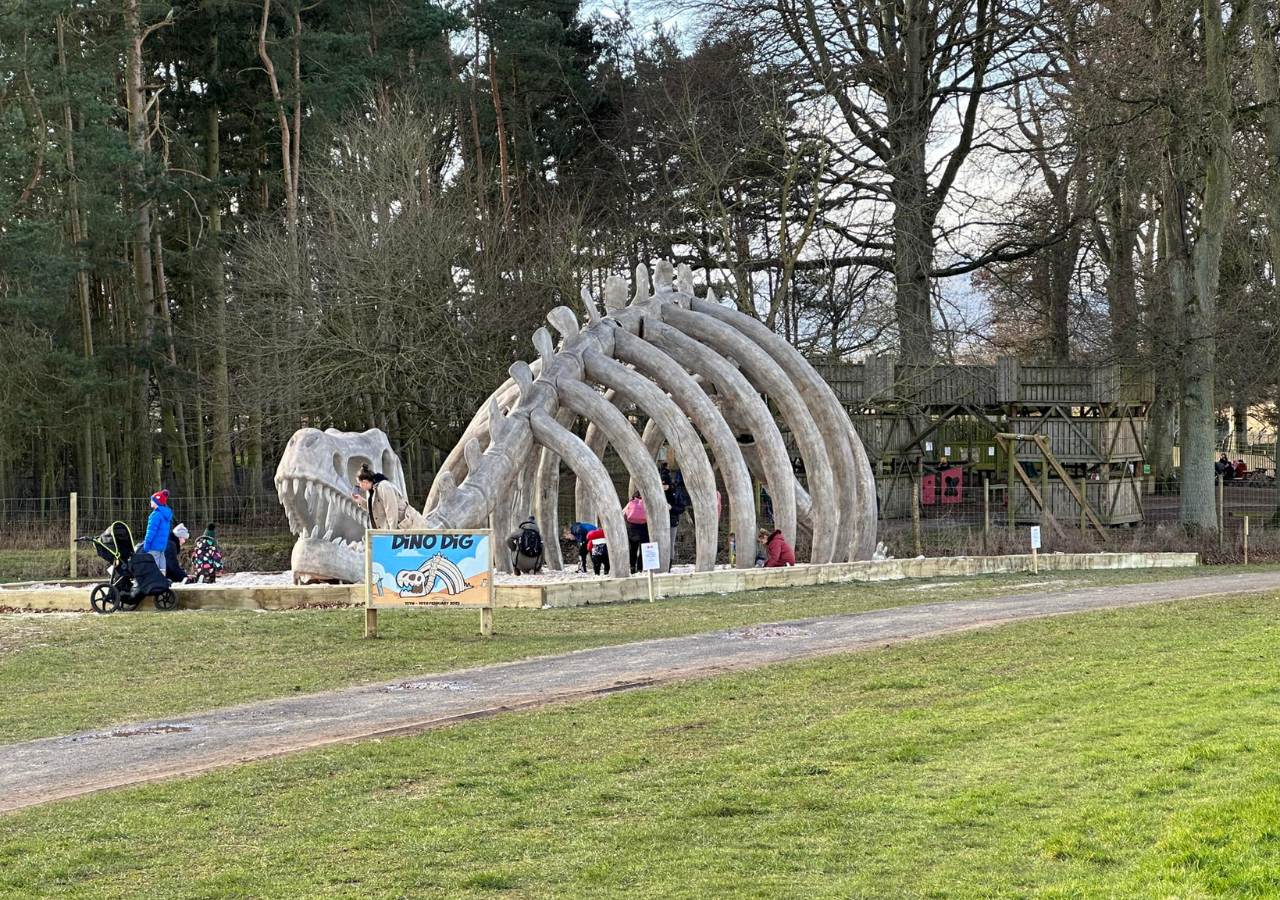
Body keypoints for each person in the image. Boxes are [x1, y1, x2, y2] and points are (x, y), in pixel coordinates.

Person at [353, 463, 424, 529]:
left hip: (410, 526)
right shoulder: (372, 491)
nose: (359, 486)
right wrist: (360, 501)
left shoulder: (384, 486)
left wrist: (391, 533)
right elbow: (375, 510)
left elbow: (391, 510)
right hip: (401, 529)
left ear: (365, 482)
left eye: (359, 483)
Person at [141, 489, 173, 575]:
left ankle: (154, 584)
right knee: (162, 566)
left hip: (153, 546)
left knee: (153, 568)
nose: (150, 502)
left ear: (157, 502)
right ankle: (162, 580)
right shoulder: (166, 514)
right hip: (162, 546)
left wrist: (146, 544)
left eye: (152, 500)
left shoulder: (155, 515)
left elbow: (151, 531)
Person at [623, 491, 648, 573]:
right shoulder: (646, 502)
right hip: (644, 528)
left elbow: (624, 514)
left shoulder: (630, 503)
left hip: (632, 528)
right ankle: (640, 567)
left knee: (633, 549)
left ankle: (632, 566)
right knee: (643, 548)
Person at [663, 477, 687, 562]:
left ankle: (669, 563)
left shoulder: (676, 492)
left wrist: (671, 508)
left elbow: (682, 508)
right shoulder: (657, 491)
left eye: (665, 484)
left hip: (672, 521)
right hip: (659, 523)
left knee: (670, 544)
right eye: (662, 484)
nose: (663, 486)